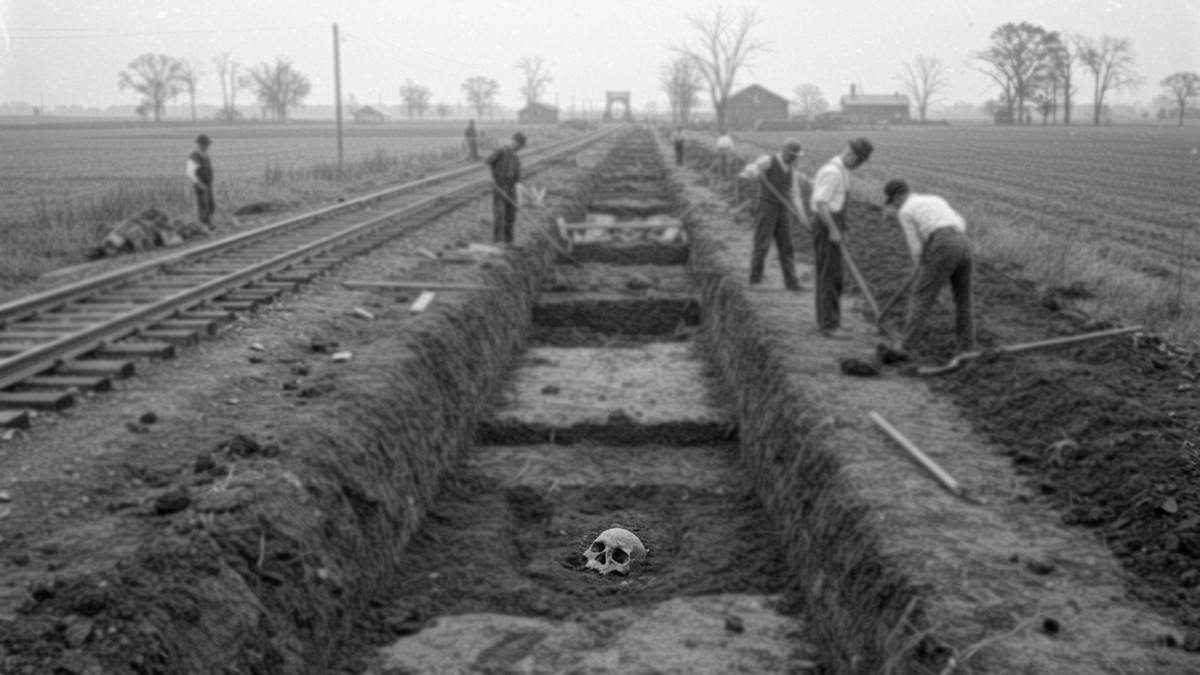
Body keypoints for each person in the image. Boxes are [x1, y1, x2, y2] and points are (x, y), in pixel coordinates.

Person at [881, 178, 974, 356]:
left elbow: (915, 245)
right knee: (964, 300)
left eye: (894, 202)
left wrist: (919, 266)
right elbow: (960, 221)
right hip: (965, 243)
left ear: (899, 196)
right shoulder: (935, 199)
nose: (896, 206)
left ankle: (905, 347)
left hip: (942, 244)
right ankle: (967, 349)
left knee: (920, 297)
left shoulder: (906, 210)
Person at [809, 137, 873, 336]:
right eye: (860, 160)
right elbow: (821, 203)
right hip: (827, 224)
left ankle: (827, 321)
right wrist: (834, 230)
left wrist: (840, 228)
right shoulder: (833, 172)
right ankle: (829, 326)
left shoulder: (841, 170)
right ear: (852, 156)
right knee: (830, 276)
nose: (859, 165)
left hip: (832, 223)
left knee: (831, 276)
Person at [737, 138, 810, 291]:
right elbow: (749, 169)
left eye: (796, 156)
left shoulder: (792, 170)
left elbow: (795, 194)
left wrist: (802, 216)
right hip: (766, 208)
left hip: (783, 211)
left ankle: (792, 282)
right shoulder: (768, 161)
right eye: (792, 155)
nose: (794, 159)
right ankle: (755, 279)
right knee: (762, 244)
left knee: (787, 246)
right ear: (785, 153)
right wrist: (756, 173)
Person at [485, 131, 526, 244]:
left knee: (511, 215)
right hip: (500, 185)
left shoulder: (516, 159)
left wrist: (519, 198)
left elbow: (517, 179)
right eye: (520, 145)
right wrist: (490, 177)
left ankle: (509, 242)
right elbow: (487, 162)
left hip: (511, 187)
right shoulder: (501, 151)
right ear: (515, 142)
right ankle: (497, 241)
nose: (520, 148)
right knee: (500, 214)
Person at [186, 134, 215, 227]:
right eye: (206, 144)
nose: (207, 146)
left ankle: (208, 223)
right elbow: (190, 173)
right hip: (200, 184)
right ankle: (203, 226)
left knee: (211, 205)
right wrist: (198, 183)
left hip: (208, 184)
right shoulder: (194, 156)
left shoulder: (205, 155)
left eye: (207, 144)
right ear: (200, 145)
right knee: (203, 206)